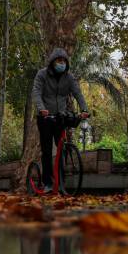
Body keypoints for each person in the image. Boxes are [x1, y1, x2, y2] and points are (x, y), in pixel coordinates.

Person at [32, 48, 89, 194]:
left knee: (62, 148)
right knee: (46, 151)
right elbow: (36, 92)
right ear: (52, 62)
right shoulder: (42, 74)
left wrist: (84, 109)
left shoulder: (69, 77)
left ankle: (61, 182)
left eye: (64, 61)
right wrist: (41, 108)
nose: (61, 64)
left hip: (60, 117)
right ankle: (47, 183)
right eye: (59, 61)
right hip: (45, 117)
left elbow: (78, 93)